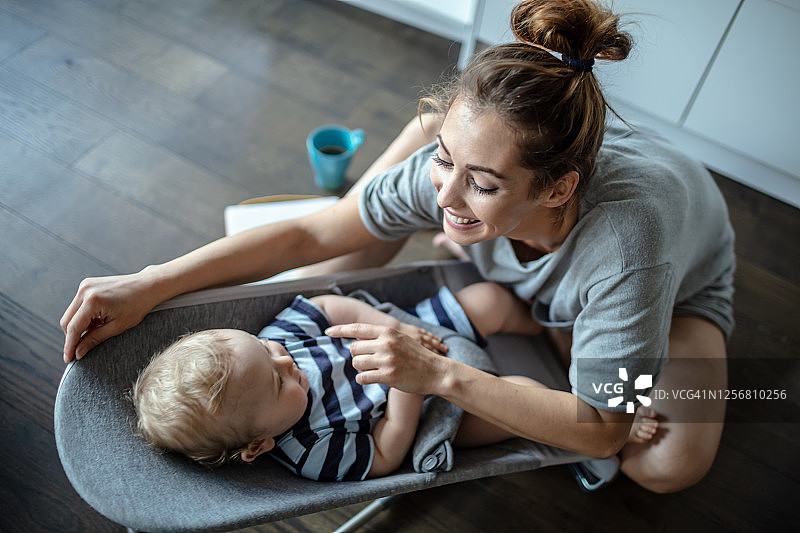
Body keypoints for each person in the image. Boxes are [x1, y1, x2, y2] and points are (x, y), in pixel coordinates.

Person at [61, 0, 734, 493]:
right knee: (340, 251)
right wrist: (152, 281)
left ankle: (578, 328)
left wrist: (437, 375)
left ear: (558, 189)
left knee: (663, 465)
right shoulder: (453, 184)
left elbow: (604, 432)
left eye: (482, 181)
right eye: (446, 160)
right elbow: (314, 232)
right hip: (523, 249)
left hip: (675, 289)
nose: (446, 197)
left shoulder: (628, 243)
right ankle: (447, 145)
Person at [132, 284, 541, 480]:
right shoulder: (312, 450)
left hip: (409, 338)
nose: (284, 359)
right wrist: (408, 385)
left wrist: (395, 328)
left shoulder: (278, 342)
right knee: (527, 396)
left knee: (490, 300)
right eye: (277, 382)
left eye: (264, 346)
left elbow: (328, 306)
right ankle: (576, 407)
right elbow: (385, 452)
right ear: (258, 444)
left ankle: (556, 330)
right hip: (425, 411)